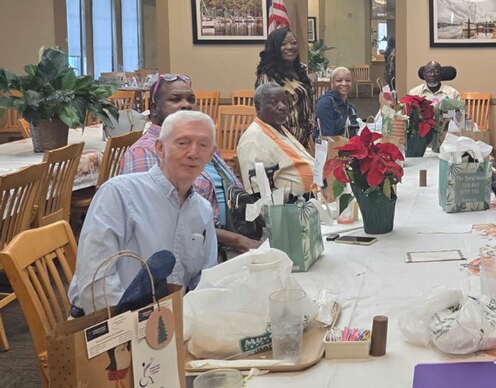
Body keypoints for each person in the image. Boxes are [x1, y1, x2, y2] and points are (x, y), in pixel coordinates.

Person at [69, 110, 219, 312]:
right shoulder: (119, 194)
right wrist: (134, 331)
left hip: (169, 324)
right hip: (110, 325)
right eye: (183, 143)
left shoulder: (202, 210)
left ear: (211, 154)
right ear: (160, 148)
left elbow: (205, 280)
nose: (193, 153)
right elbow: (95, 287)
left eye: (203, 145)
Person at [119, 74, 259, 253]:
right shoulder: (146, 151)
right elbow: (159, 222)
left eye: (191, 99)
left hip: (239, 231)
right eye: (175, 100)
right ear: (155, 109)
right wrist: (237, 241)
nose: (186, 105)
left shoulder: (203, 143)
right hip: (197, 248)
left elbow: (233, 187)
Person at [237, 83, 317, 196]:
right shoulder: (252, 140)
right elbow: (258, 195)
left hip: (314, 198)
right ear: (258, 108)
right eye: (274, 102)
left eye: (285, 101)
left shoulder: (280, 128)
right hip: (292, 208)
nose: (282, 107)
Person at [255, 27, 315, 147]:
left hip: (304, 142)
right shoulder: (268, 76)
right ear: (275, 48)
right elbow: (266, 115)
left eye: (293, 43)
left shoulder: (300, 71)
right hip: (281, 142)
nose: (290, 47)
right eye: (283, 44)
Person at [316, 66, 358, 137]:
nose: (344, 84)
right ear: (332, 83)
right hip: (331, 146)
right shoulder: (325, 103)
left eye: (348, 80)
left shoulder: (351, 108)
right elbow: (327, 135)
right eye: (339, 80)